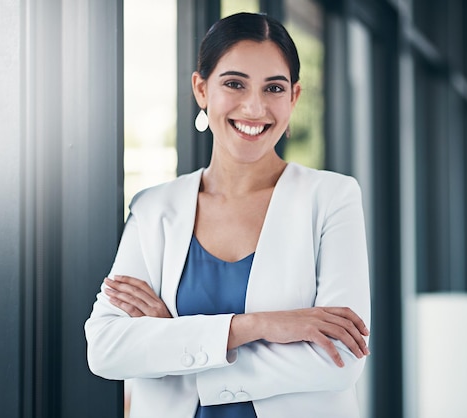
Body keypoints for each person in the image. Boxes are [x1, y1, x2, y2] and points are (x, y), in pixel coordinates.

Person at [85, 12, 370, 418]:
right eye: (234, 84)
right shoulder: (154, 209)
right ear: (201, 89)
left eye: (274, 87)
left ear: (294, 98)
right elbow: (106, 348)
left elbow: (341, 356)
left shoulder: (331, 198)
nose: (254, 107)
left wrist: (174, 343)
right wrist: (255, 326)